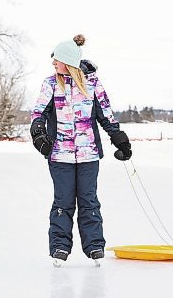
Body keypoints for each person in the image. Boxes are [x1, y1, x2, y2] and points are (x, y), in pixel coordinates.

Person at [30, 34, 132, 266]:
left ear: (68, 61)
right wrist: (39, 133)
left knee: (89, 200)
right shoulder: (51, 84)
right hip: (59, 154)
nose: (53, 63)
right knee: (63, 201)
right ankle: (59, 247)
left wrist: (120, 140)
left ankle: (95, 246)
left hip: (89, 154)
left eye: (56, 59)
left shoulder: (93, 84)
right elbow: (39, 114)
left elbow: (106, 115)